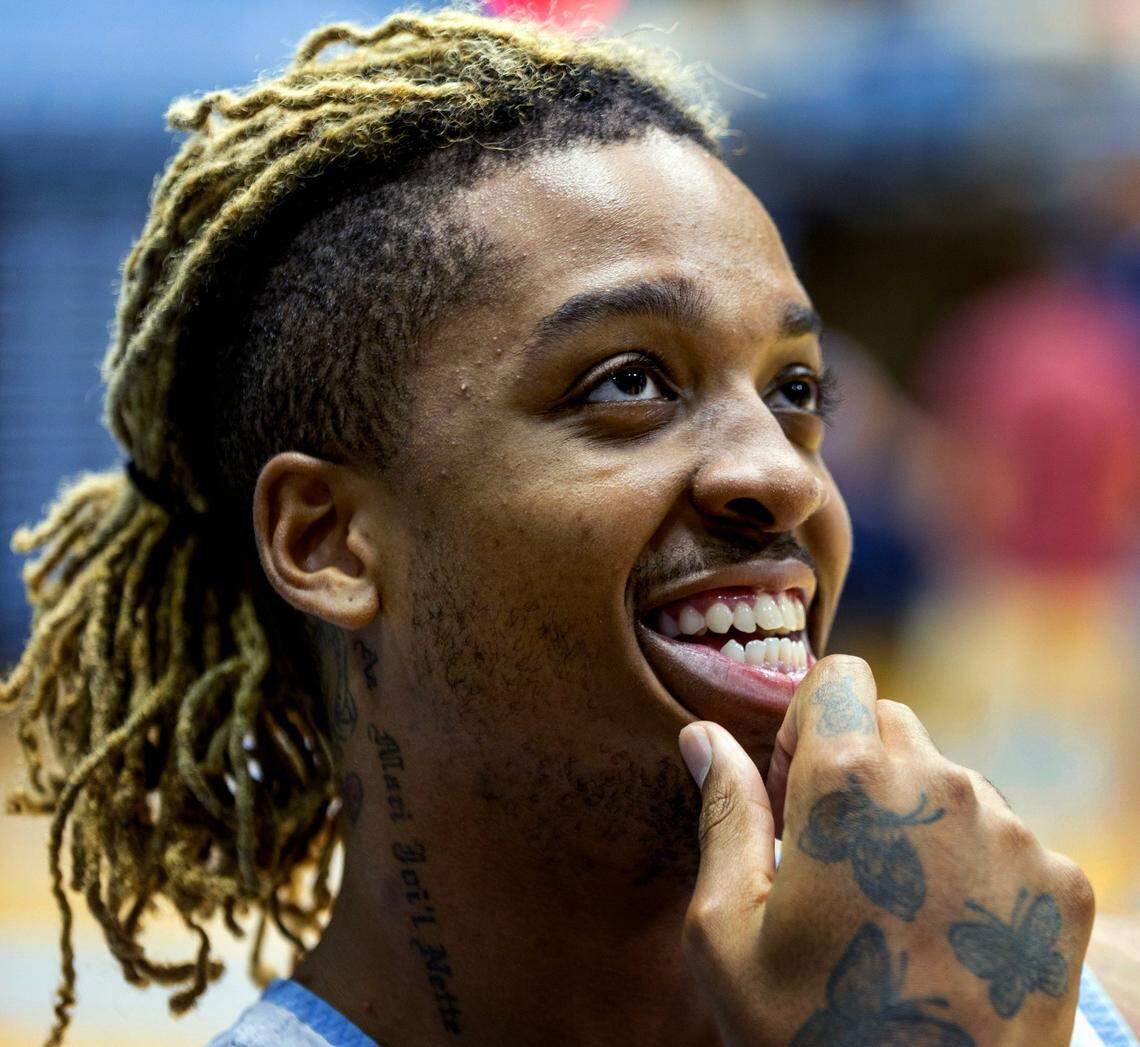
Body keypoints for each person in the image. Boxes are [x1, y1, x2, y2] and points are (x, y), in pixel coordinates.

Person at [0, 8, 1133, 1046]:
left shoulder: (1070, 997)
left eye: (796, 392)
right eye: (629, 382)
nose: (782, 480)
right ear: (327, 542)